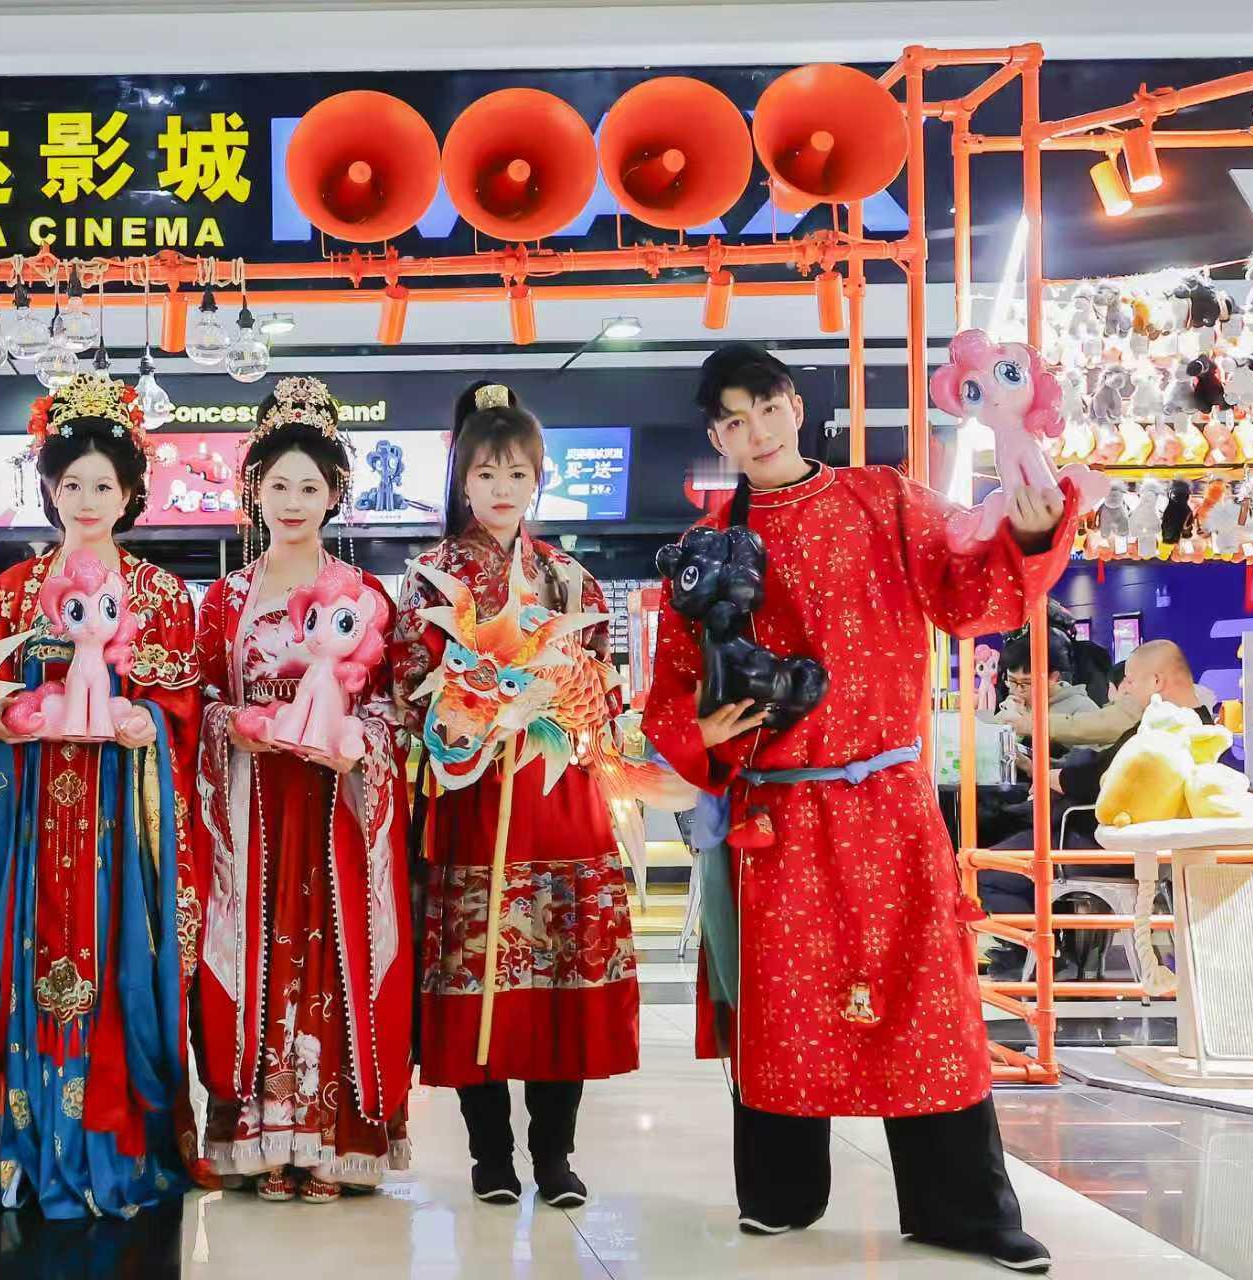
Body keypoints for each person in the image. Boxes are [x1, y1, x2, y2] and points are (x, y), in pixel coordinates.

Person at [644, 344, 1069, 1273]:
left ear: (795, 408)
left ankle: (962, 1208)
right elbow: (669, 690)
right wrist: (700, 728)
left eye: (765, 408)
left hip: (889, 803)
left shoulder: (886, 499)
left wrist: (1031, 539)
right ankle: (781, 1195)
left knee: (929, 1002)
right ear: (716, 436)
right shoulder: (705, 546)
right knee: (782, 1009)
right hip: (775, 818)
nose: (754, 432)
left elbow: (971, 597)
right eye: (732, 421)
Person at [0, 371, 203, 1219]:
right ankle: (24, 1146)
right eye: (71, 485)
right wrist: (5, 716)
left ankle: (112, 1143)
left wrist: (141, 720)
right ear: (49, 491)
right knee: (21, 960)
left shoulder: (160, 593)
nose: (86, 501)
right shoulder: (17, 589)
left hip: (119, 821)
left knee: (121, 959)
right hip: (28, 820)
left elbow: (181, 705)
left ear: (130, 495)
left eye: (103, 486)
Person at [390, 380, 636, 1210]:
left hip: (558, 793)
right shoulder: (431, 576)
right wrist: (471, 706)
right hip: (471, 790)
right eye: (486, 473)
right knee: (477, 974)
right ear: (462, 480)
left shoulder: (569, 578)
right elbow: (407, 683)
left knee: (560, 970)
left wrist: (566, 695)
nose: (501, 488)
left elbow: (604, 687)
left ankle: (555, 1154)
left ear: (538, 480)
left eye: (517, 473)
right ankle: (489, 1155)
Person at [194, 377, 411, 1204]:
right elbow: (199, 701)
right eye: (278, 485)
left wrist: (358, 742)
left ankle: (334, 1140)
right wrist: (233, 725)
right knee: (256, 952)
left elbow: (390, 705)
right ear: (254, 491)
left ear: (333, 496)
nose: (292, 503)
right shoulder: (225, 599)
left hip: (336, 806)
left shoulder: (366, 595)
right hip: (254, 801)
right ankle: (260, 1141)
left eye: (309, 488)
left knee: (336, 951)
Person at [979, 641, 1216, 979]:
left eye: (1130, 681)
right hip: (1133, 843)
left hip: (1106, 842)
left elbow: (1106, 777)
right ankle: (1054, 955)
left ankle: (1038, 957)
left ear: (1156, 681)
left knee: (987, 870)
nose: (1125, 691)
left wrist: (1057, 778)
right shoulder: (1196, 727)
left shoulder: (1164, 731)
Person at [995, 629, 1099, 744]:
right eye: (1012, 681)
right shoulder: (1013, 704)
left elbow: (1092, 753)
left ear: (1053, 677)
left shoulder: (1082, 708)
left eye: (1027, 683)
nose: (1018, 690)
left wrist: (1028, 726)